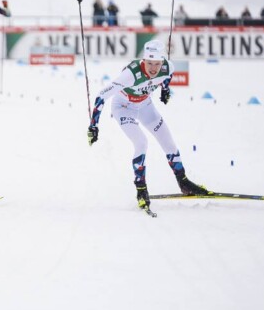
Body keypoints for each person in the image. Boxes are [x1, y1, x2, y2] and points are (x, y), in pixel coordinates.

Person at [86, 39, 208, 212]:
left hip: (145, 106)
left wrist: (165, 89)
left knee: (168, 142)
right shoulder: (130, 74)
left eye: (157, 63)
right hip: (123, 107)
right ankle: (141, 190)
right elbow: (101, 96)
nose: (153, 68)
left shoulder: (167, 67)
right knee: (141, 142)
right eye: (149, 63)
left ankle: (184, 182)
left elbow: (168, 75)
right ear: (144, 60)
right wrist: (93, 126)